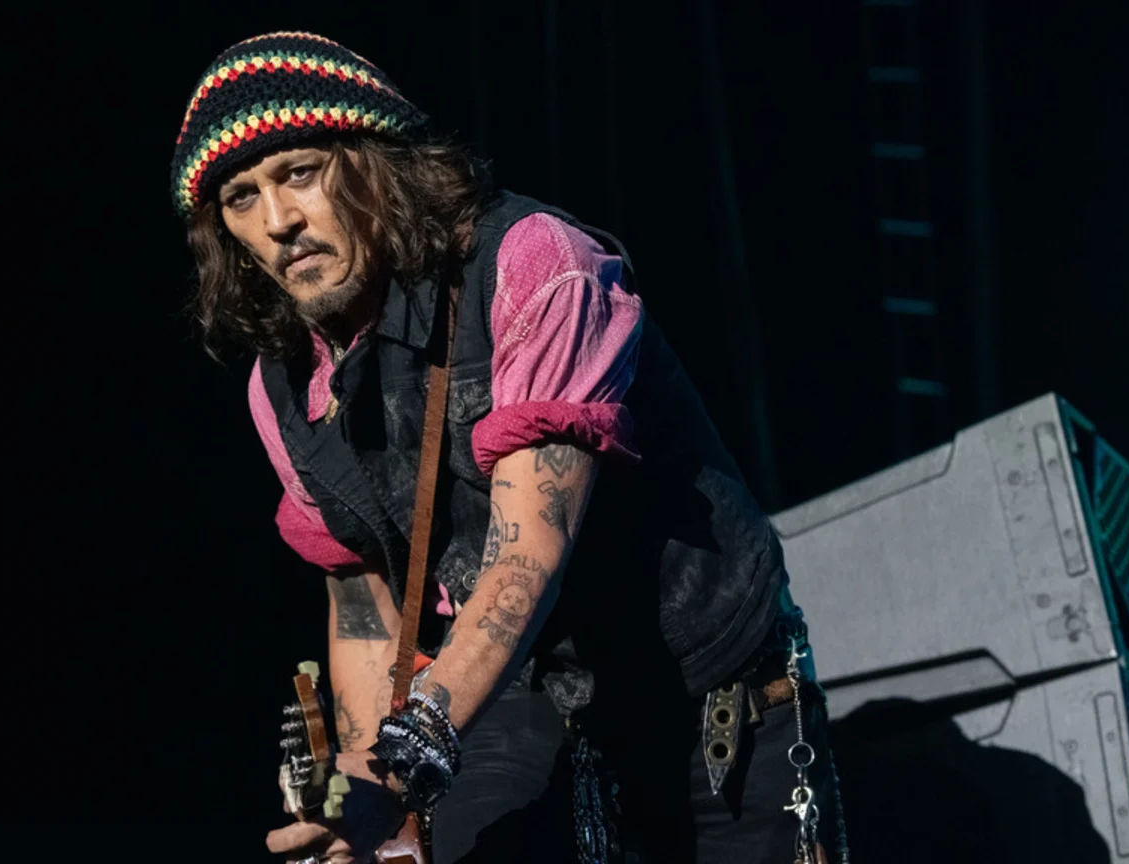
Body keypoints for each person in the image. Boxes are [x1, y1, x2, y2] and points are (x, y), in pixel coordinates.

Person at [169, 31, 846, 864]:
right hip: (519, 702)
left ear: (375, 158)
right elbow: (362, 612)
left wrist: (407, 754)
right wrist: (373, 809)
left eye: (300, 172)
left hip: (706, 694)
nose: (278, 222)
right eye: (241, 197)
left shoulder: (532, 265)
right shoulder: (281, 388)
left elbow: (527, 557)